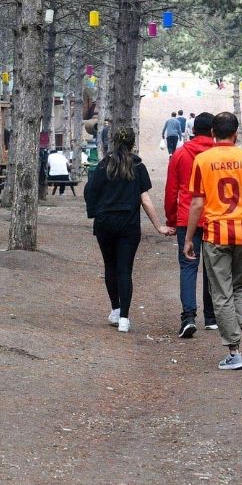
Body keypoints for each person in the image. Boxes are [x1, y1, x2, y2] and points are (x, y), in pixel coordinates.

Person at [184, 112, 242, 371]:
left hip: (215, 234)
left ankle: (234, 351)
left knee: (221, 293)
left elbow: (198, 203)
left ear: (213, 132)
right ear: (236, 134)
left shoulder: (202, 160)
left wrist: (188, 238)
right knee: (240, 288)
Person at [85, 127, 174, 333]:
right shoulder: (138, 166)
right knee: (125, 269)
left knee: (110, 266)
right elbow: (145, 200)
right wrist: (159, 226)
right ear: (132, 143)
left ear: (113, 141)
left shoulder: (103, 166)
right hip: (129, 224)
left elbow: (90, 192)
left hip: (105, 222)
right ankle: (124, 319)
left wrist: (96, 212)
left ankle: (115, 309)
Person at [165, 111, 218, 338]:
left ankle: (188, 316)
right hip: (215, 216)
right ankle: (211, 316)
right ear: (213, 131)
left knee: (188, 267)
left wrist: (171, 219)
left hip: (187, 217)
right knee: (212, 267)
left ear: (193, 130)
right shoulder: (218, 154)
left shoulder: (180, 153)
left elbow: (171, 190)